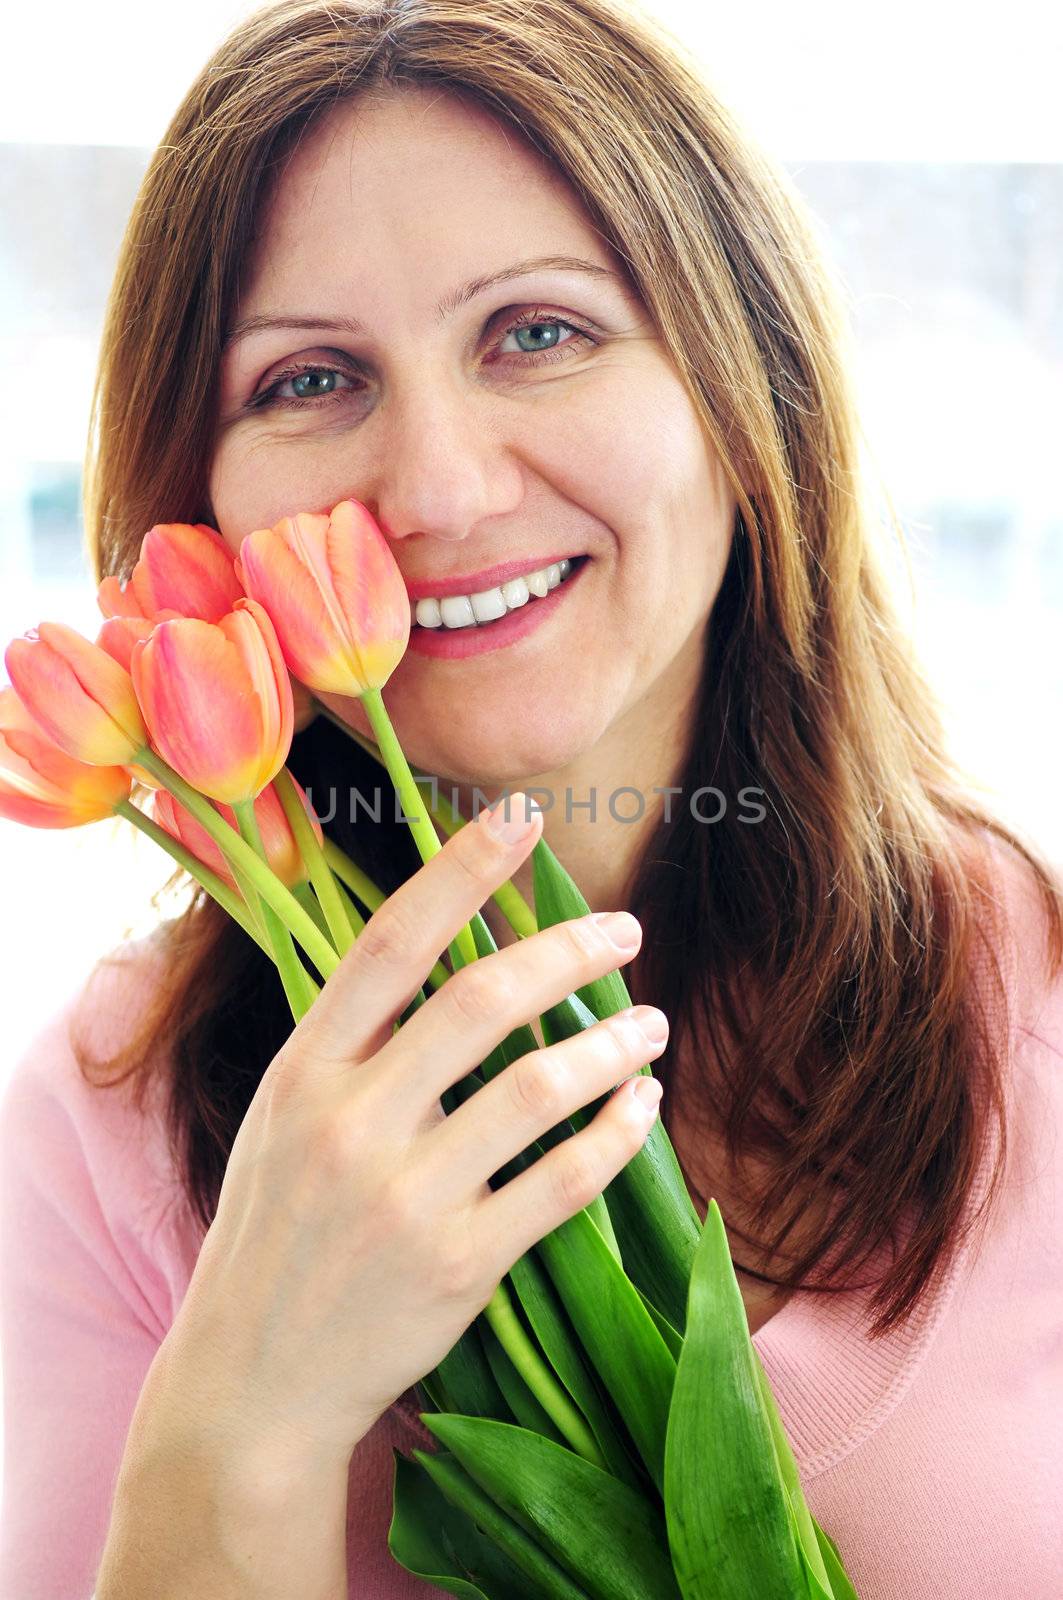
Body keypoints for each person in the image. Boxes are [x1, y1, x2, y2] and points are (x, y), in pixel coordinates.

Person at [1, 0, 1060, 1595]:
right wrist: (246, 1419)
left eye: (538, 333)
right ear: (193, 499)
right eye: (307, 377)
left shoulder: (1035, 995)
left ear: (739, 378)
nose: (435, 488)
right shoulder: (102, 1134)